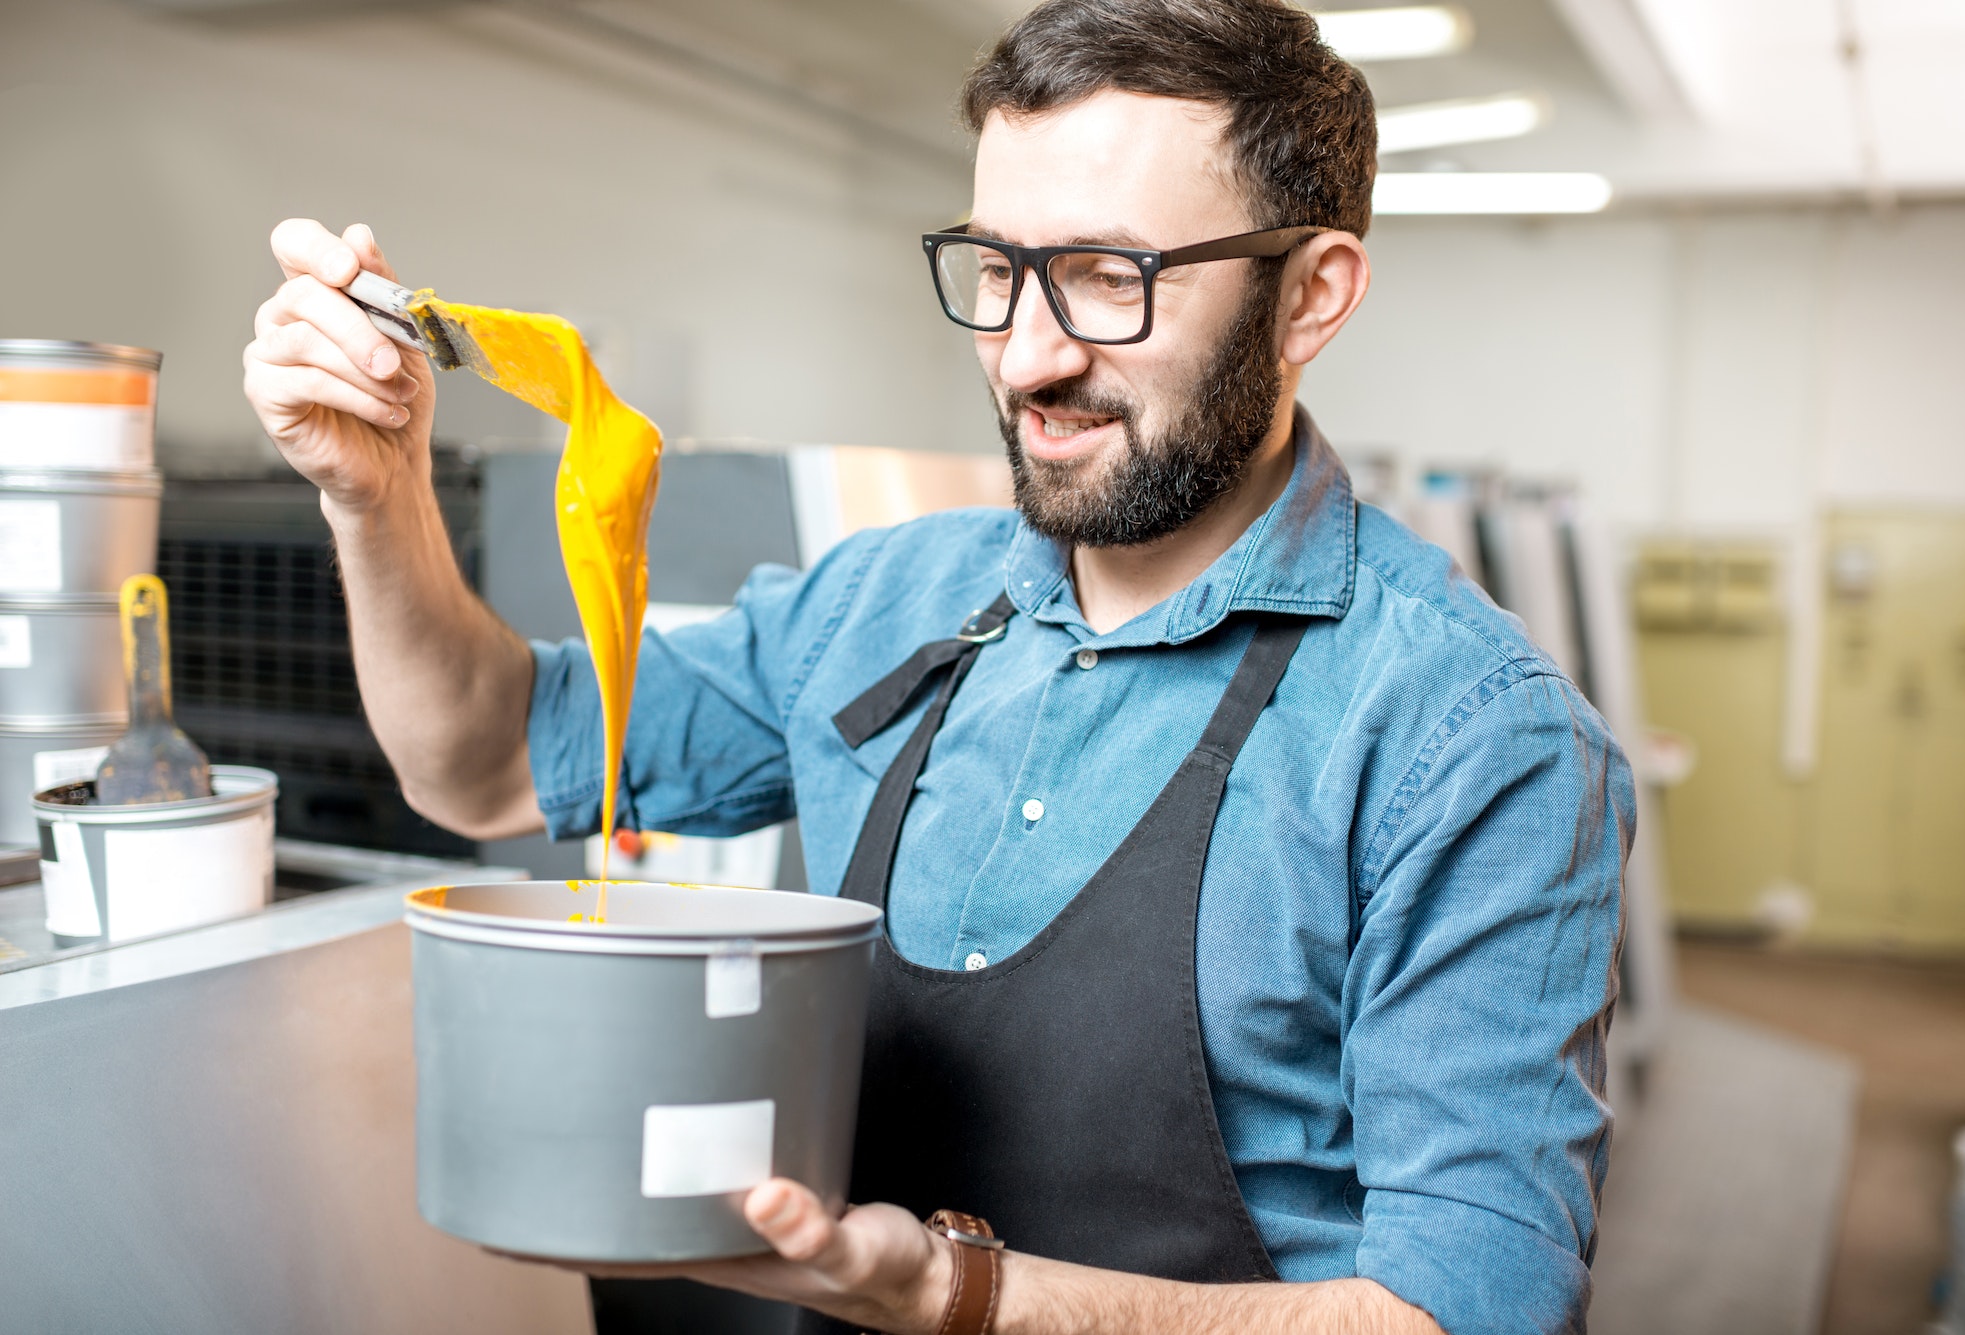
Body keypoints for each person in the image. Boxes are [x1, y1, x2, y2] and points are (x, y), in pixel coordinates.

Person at [243, 1, 1631, 1331]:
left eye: (1109, 277)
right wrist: (377, 495)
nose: (1028, 354)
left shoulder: (1464, 736)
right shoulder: (885, 602)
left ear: (1310, 295)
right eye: (997, 270)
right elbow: (486, 762)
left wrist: (951, 1302)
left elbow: (1474, 1313)